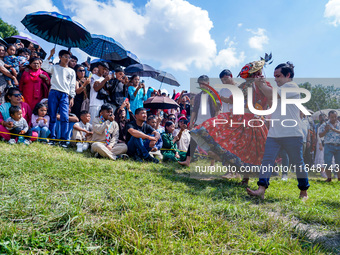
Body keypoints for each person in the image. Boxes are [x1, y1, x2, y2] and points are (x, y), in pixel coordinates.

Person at [247, 62, 310, 199]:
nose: (275, 78)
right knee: (267, 161)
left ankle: (303, 192)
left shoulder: (293, 87)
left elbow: (272, 94)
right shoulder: (278, 89)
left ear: (288, 75)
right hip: (274, 134)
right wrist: (258, 84)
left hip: (292, 133)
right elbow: (268, 96)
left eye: (278, 76)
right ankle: (261, 189)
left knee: (298, 163)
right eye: (274, 76)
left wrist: (262, 85)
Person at [42, 48, 76, 148]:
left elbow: (72, 85)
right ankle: (52, 138)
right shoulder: (55, 67)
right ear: (60, 57)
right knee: (52, 115)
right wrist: (50, 54)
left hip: (65, 94)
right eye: (65, 57)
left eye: (68, 57)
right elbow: (44, 66)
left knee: (65, 117)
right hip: (54, 92)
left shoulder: (71, 71)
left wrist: (72, 97)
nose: (67, 59)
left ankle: (64, 140)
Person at [318, 110, 340, 182]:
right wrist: (325, 131)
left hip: (339, 145)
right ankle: (329, 178)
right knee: (328, 162)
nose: (334, 118)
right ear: (328, 117)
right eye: (332, 117)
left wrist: (333, 129)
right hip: (328, 146)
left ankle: (339, 178)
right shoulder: (324, 125)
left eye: (335, 117)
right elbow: (320, 135)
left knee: (338, 163)